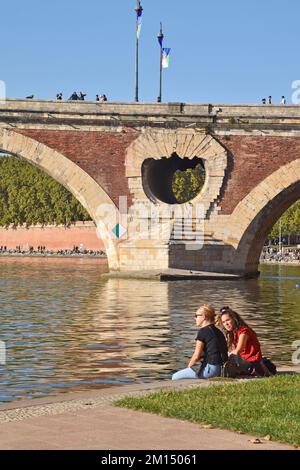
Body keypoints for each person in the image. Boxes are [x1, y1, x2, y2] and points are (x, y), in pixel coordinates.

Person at [172, 304, 228, 380]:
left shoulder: (203, 331)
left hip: (211, 370)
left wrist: (188, 368)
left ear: (204, 316)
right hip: (223, 369)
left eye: (196, 316)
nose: (195, 318)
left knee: (175, 377)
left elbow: (196, 356)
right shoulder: (218, 331)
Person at [219, 306, 271, 376]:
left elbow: (238, 350)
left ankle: (239, 370)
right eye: (224, 322)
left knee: (232, 356)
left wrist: (228, 355)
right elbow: (226, 348)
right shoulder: (232, 333)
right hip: (244, 360)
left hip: (252, 361)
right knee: (223, 355)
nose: (226, 324)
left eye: (228, 320)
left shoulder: (244, 331)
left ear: (234, 319)